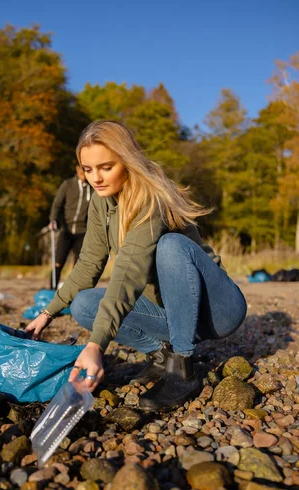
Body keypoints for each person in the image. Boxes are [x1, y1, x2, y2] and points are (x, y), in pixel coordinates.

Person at [27, 121, 247, 412]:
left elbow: (128, 274)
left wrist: (95, 346)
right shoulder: (101, 201)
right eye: (88, 169)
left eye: (106, 167)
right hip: (171, 314)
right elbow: (89, 264)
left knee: (170, 245)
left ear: (127, 161)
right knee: (83, 304)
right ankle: (162, 356)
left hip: (216, 310)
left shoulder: (150, 197)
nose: (96, 178)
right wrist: (48, 313)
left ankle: (183, 367)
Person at [48, 166, 92, 288]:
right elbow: (57, 204)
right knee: (58, 262)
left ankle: (74, 291)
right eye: (83, 171)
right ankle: (52, 289)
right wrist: (53, 219)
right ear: (78, 170)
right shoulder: (68, 185)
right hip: (66, 230)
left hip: (83, 232)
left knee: (78, 265)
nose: (85, 175)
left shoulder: (92, 188)